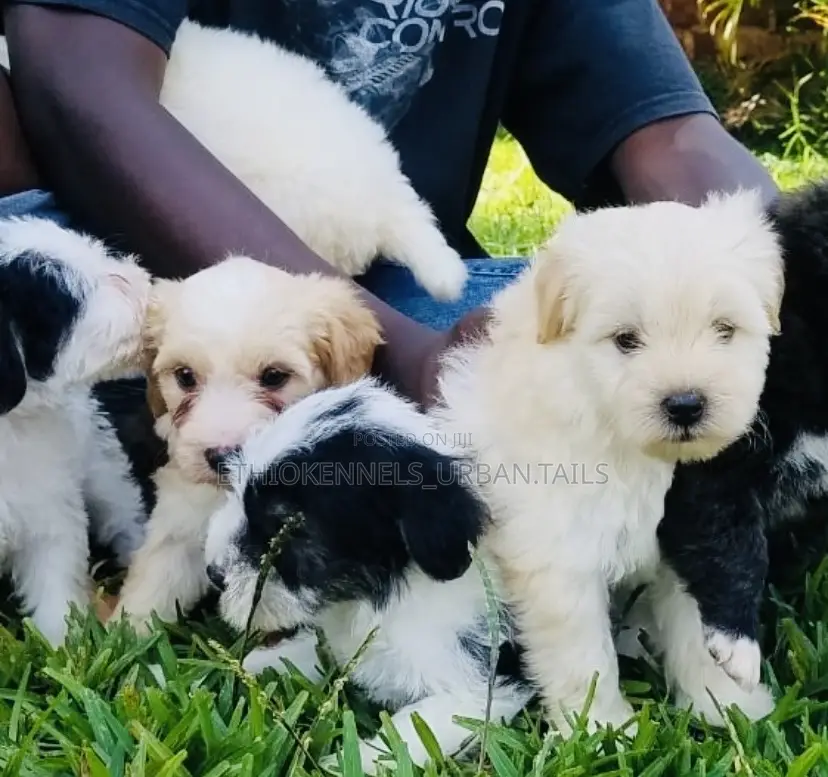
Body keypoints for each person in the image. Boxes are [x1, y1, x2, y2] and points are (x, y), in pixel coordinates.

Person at [0, 0, 777, 409]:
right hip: (109, 277)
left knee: (565, 334)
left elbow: (668, 139)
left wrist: (800, 272)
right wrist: (394, 353)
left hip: (389, 293)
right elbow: (76, 82)